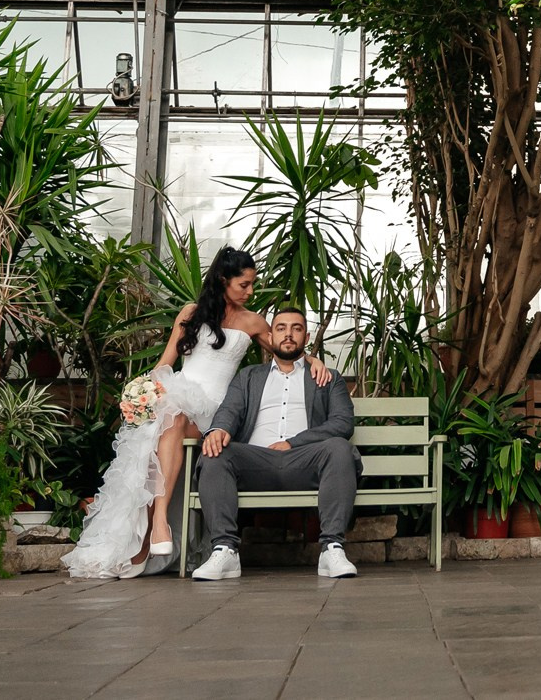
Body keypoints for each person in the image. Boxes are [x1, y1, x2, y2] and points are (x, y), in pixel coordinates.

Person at [64, 248, 329, 579]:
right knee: (169, 421)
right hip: (181, 400)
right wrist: (143, 394)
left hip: (217, 414)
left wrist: (314, 360)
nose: (250, 292)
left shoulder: (253, 322)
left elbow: (286, 351)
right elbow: (165, 363)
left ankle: (152, 536)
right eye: (244, 285)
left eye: (252, 284)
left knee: (167, 427)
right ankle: (157, 525)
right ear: (223, 280)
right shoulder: (191, 312)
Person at [190, 307, 363, 581]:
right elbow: (230, 410)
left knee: (340, 449)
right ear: (270, 336)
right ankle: (224, 550)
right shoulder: (249, 376)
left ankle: (332, 548)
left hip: (304, 461)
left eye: (296, 328)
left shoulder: (327, 377)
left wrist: (293, 443)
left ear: (305, 337)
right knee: (215, 452)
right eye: (281, 328)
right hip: (255, 462)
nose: (288, 334)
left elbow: (343, 423)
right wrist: (218, 429)